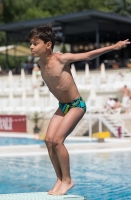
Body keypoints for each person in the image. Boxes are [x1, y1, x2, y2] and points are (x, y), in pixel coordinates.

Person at [29, 25, 130, 195]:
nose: (31, 46)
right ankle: (59, 179)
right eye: (31, 43)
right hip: (62, 106)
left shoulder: (61, 59)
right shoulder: (39, 63)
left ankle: (67, 180)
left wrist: (113, 47)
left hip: (76, 105)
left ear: (47, 45)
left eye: (35, 43)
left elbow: (88, 55)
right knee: (49, 141)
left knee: (58, 141)